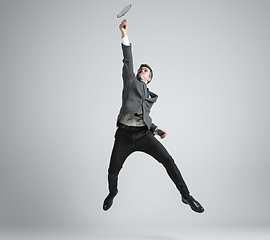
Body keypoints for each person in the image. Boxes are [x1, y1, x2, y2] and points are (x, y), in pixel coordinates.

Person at [103, 20, 204, 213]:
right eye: (141, 68)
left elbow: (145, 118)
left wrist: (156, 129)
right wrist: (124, 34)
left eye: (146, 70)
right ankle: (113, 192)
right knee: (112, 170)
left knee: (168, 160)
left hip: (143, 135)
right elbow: (128, 59)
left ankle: (187, 196)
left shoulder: (149, 98)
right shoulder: (130, 80)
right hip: (124, 136)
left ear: (149, 79)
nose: (142, 70)